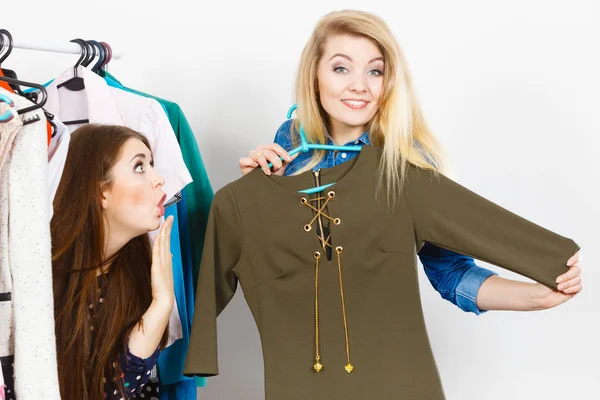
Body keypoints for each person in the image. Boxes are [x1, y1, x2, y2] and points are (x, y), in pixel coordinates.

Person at [238, 10, 582, 315]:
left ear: (389, 83)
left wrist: (537, 296)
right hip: (296, 349)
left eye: (375, 71)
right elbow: (258, 261)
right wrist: (257, 194)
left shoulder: (411, 162)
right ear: (315, 74)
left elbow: (451, 272)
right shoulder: (291, 142)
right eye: (341, 68)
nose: (359, 86)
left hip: (383, 352)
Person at [51, 124, 174, 400]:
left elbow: (118, 392)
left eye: (152, 165)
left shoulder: (135, 280)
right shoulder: (36, 277)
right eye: (140, 167)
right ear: (100, 192)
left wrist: (161, 306)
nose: (159, 180)